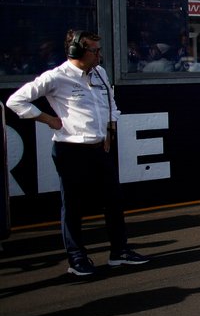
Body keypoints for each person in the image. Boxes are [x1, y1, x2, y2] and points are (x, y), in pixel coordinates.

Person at [6, 28, 149, 276]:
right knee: (72, 206)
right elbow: (15, 101)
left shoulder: (100, 73)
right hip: (70, 150)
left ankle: (119, 252)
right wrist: (47, 119)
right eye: (94, 50)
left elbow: (111, 105)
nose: (99, 56)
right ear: (76, 51)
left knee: (114, 201)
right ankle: (76, 258)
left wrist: (109, 132)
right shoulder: (56, 77)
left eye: (98, 50)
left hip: (99, 149)